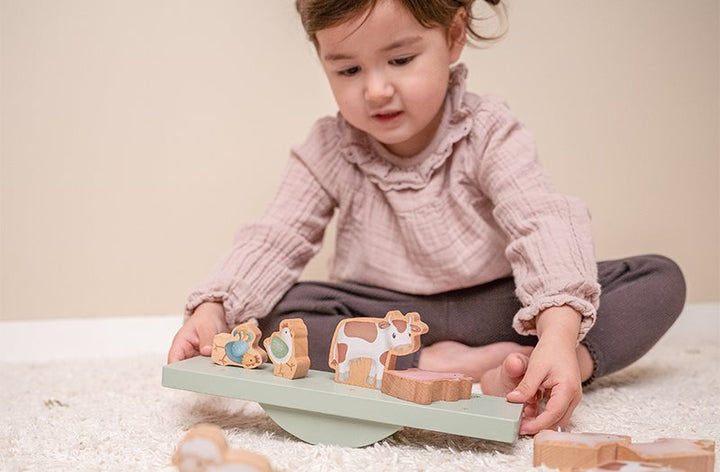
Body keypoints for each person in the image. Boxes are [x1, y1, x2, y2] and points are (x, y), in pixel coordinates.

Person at [168, 0, 685, 435]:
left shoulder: (486, 130)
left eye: (400, 59)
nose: (375, 90)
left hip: (496, 305)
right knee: (280, 315)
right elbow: (277, 237)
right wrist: (215, 307)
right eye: (347, 69)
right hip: (383, 316)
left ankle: (553, 366)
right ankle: (435, 366)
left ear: (453, 37)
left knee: (657, 278)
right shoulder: (330, 148)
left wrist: (556, 333)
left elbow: (540, 221)